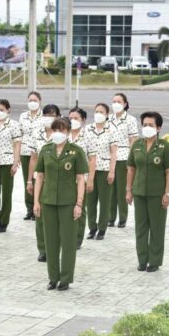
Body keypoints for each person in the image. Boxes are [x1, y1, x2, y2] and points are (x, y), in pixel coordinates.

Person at [33, 117, 88, 291]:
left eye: (62, 130)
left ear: (68, 132)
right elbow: (39, 176)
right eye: (55, 129)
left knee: (68, 241)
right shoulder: (46, 150)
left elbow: (81, 179)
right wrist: (36, 201)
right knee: (51, 241)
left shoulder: (76, 151)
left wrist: (79, 204)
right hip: (48, 201)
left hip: (68, 202)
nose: (58, 133)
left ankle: (65, 278)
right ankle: (53, 277)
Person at [126, 111, 169, 272]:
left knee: (156, 228)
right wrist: (128, 190)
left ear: (158, 128)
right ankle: (142, 259)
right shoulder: (137, 145)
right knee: (140, 228)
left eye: (151, 125)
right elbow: (131, 169)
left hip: (157, 194)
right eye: (145, 124)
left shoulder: (164, 147)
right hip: (139, 192)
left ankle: (154, 261)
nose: (147, 127)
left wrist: (167, 193)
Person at [27, 104, 61, 262]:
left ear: (58, 117)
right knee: (39, 213)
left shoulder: (61, 134)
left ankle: (54, 247)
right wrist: (29, 180)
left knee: (55, 216)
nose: (48, 117)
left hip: (57, 179)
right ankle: (42, 249)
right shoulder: (36, 132)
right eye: (46, 114)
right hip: (40, 178)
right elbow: (33, 158)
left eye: (52, 115)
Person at [0, 98, 22, 232]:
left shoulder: (13, 124)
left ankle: (4, 221)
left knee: (6, 193)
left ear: (8, 110)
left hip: (7, 161)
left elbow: (17, 144)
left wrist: (15, 163)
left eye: (1, 110)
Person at [84, 103, 118, 240]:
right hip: (89, 169)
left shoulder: (111, 130)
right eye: (96, 111)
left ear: (107, 114)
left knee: (104, 201)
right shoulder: (88, 129)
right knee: (90, 200)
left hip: (104, 168)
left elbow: (114, 152)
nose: (98, 114)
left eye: (101, 112)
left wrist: (112, 171)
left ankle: (102, 229)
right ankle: (92, 228)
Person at [108, 93, 139, 228]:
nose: (116, 104)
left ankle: (122, 217)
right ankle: (110, 217)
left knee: (121, 189)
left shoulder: (130, 120)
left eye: (119, 101)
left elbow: (133, 140)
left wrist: (132, 160)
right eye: (114, 101)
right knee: (110, 189)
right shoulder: (108, 119)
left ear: (125, 104)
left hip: (123, 156)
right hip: (109, 157)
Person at [67, 106, 91, 250]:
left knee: (80, 207)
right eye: (70, 118)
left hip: (82, 178)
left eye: (76, 118)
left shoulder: (88, 136)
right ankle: (68, 236)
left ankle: (77, 239)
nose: (72, 120)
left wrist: (91, 179)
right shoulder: (64, 134)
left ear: (83, 120)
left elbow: (92, 159)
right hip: (66, 179)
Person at [18, 91, 44, 220]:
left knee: (37, 178)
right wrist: (17, 155)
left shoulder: (44, 116)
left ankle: (37, 206)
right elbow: (19, 135)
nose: (32, 102)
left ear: (40, 101)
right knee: (27, 180)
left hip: (38, 151)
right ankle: (29, 209)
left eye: (35, 100)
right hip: (25, 151)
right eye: (30, 100)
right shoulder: (23, 116)